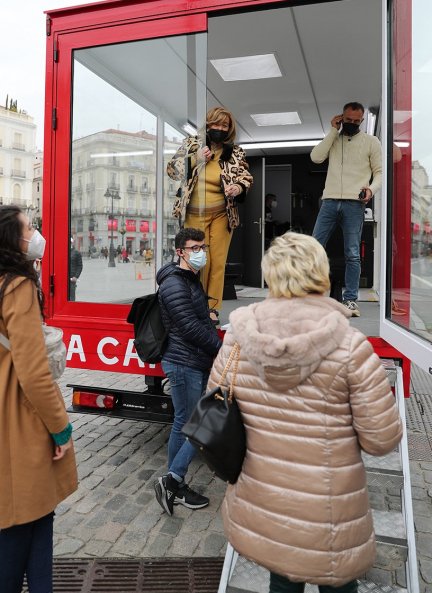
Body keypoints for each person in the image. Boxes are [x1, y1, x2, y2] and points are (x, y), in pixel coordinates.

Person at [209, 232, 402, 593]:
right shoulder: (350, 346)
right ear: (322, 274)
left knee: (281, 580)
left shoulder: (238, 338)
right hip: (329, 515)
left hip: (265, 504)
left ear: (271, 275)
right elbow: (381, 439)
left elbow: (215, 405)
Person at [0, 205, 78, 593]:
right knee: (26, 515)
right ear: (13, 240)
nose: (36, 234)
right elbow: (33, 372)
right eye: (29, 228)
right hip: (19, 418)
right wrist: (61, 429)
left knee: (27, 515)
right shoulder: (16, 286)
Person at [154, 227, 222, 516]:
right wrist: (220, 346)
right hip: (184, 362)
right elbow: (189, 328)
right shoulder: (173, 283)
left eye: (202, 247)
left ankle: (174, 484)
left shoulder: (188, 277)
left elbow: (194, 316)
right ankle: (172, 481)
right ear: (180, 251)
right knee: (198, 423)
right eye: (195, 248)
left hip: (193, 360)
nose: (200, 253)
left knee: (185, 421)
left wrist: (208, 315)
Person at [168, 107, 253, 322]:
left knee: (217, 262)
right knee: (197, 261)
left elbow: (246, 177)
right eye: (216, 124)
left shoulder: (235, 152)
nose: (220, 129)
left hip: (222, 214)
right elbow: (171, 170)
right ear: (208, 124)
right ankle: (194, 305)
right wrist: (195, 158)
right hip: (194, 213)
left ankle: (212, 309)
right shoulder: (192, 144)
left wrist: (238, 188)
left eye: (225, 126)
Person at [311, 101, 382, 317]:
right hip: (330, 200)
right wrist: (333, 130)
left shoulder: (371, 142)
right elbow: (316, 157)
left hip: (354, 203)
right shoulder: (334, 139)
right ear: (341, 117)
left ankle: (350, 300)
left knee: (352, 253)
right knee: (313, 248)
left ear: (361, 120)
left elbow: (379, 172)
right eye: (347, 120)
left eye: (356, 121)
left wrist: (371, 189)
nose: (351, 123)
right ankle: (311, 296)